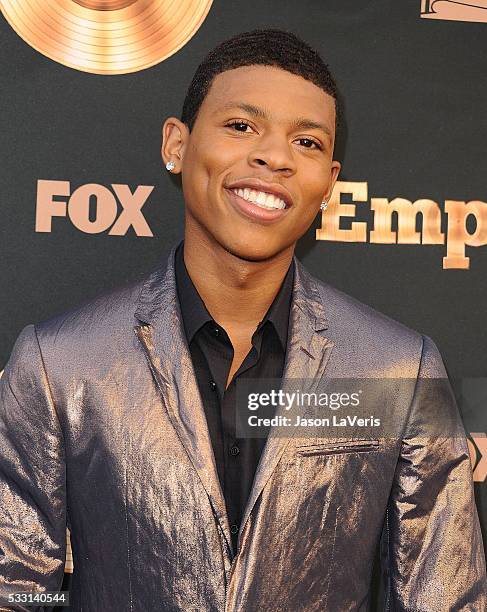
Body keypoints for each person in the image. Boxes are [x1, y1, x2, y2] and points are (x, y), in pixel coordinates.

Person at [0, 28, 485, 612]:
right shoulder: (60, 363)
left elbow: (445, 597)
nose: (275, 157)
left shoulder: (400, 371)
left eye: (306, 142)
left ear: (329, 183)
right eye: (241, 126)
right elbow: (17, 592)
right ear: (176, 145)